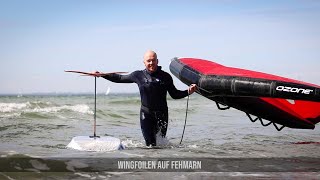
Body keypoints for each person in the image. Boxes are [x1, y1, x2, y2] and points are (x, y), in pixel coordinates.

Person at [94, 50, 197, 146]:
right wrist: (102, 75)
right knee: (150, 145)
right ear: (144, 62)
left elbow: (174, 94)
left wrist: (188, 92)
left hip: (162, 115)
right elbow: (120, 78)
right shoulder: (138, 75)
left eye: (153, 60)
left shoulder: (166, 77)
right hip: (146, 115)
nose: (151, 63)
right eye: (148, 61)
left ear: (157, 61)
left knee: (161, 145)